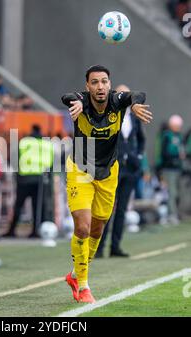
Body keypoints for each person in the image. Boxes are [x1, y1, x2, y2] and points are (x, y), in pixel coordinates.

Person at [61, 65, 152, 303]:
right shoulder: (80, 101)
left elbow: (137, 94)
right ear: (87, 86)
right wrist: (77, 103)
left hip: (108, 172)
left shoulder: (117, 102)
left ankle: (74, 275)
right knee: (82, 227)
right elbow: (67, 97)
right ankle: (83, 285)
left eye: (104, 82)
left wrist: (134, 103)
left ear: (109, 85)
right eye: (94, 82)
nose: (100, 87)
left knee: (97, 230)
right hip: (80, 170)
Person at [96, 84, 146, 258]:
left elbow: (141, 139)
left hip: (130, 169)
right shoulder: (109, 115)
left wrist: (138, 156)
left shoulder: (134, 117)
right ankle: (99, 247)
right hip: (113, 168)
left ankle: (115, 246)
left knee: (122, 209)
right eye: (120, 93)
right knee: (107, 209)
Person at [4, 124, 54, 238]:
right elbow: (50, 163)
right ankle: (36, 231)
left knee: (18, 205)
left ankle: (12, 231)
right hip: (40, 179)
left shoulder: (24, 142)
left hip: (24, 178)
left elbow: (14, 159)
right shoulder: (47, 143)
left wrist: (17, 174)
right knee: (38, 206)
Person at [160, 114, 185, 225]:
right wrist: (176, 156)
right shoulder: (167, 136)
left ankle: (174, 213)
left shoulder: (178, 136)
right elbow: (164, 153)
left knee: (177, 192)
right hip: (169, 169)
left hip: (177, 169)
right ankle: (171, 214)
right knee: (171, 192)